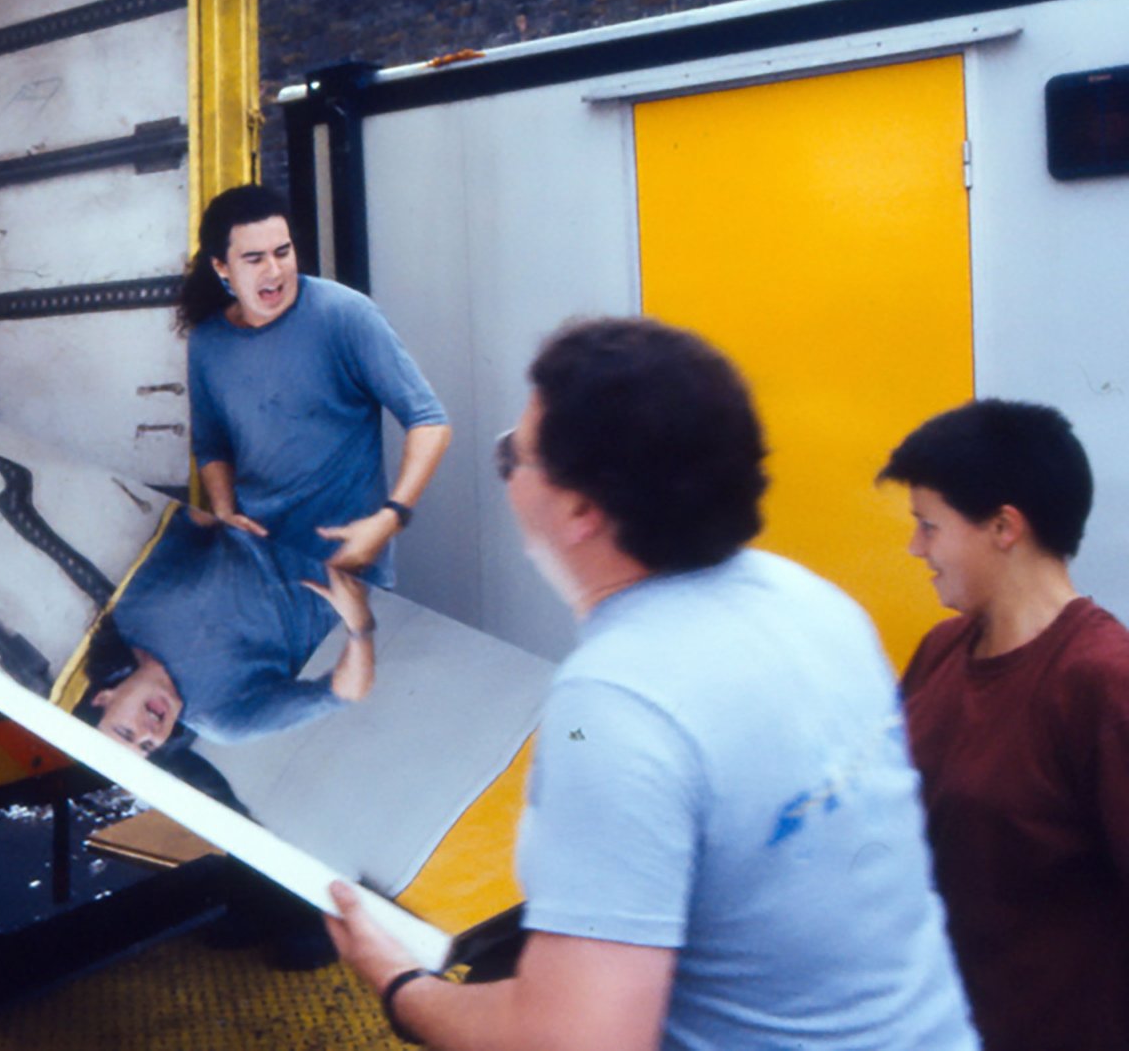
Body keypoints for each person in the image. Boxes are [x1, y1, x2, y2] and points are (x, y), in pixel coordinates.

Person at [326, 317, 976, 1050]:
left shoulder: (615, 707)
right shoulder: (817, 606)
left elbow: (576, 1042)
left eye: (516, 457)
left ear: (580, 510)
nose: (506, 471)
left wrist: (399, 983)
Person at [879, 400, 1129, 1051]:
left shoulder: (1103, 682)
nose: (915, 548)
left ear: (1003, 527)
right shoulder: (940, 651)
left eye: (929, 526)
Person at [180, 186, 450, 588]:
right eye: (254, 259)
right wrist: (223, 512)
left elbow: (429, 421)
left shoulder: (345, 314)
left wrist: (390, 517)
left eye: (282, 252)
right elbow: (211, 445)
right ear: (221, 266)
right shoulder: (206, 343)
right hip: (261, 574)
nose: (274, 271)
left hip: (348, 573)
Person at [76, 508, 374, 751]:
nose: (148, 732)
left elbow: (190, 525)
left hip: (273, 499)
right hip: (345, 552)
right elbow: (344, 693)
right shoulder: (224, 721)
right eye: (147, 747)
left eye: (126, 732)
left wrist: (225, 509)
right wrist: (358, 622)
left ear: (104, 698)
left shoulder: (132, 613)